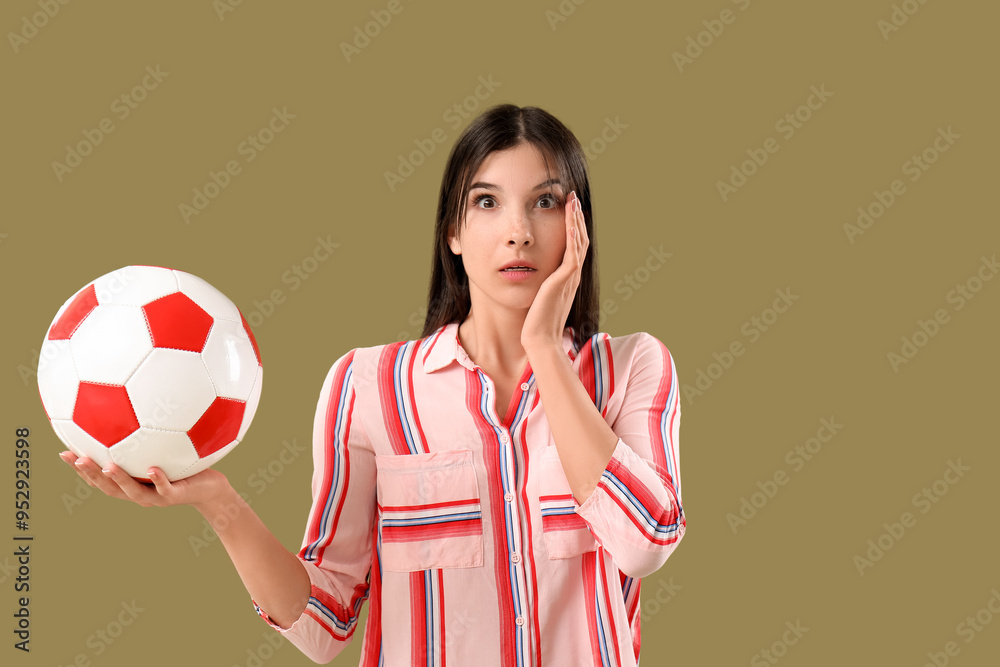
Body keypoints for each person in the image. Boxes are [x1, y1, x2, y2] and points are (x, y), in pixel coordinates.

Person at [60, 103, 686, 666]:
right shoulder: (367, 386)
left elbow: (645, 544)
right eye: (487, 202)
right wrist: (218, 504)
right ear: (453, 232)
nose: (517, 230)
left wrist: (545, 348)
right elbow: (325, 624)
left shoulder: (633, 368)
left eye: (545, 201)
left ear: (580, 226)